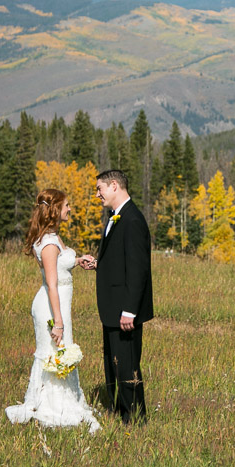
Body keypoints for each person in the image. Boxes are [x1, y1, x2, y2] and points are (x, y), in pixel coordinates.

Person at [5, 188, 102, 431]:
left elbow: (60, 266)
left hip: (59, 305)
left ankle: (65, 401)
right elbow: (52, 284)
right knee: (53, 353)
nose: (70, 209)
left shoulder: (54, 236)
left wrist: (77, 261)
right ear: (56, 209)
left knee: (60, 351)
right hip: (50, 307)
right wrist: (58, 322)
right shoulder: (48, 242)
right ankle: (52, 407)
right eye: (66, 205)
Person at [81, 169, 153, 424]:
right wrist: (99, 264)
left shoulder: (132, 220)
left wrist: (130, 310)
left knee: (127, 366)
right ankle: (118, 411)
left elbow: (137, 269)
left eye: (99, 188)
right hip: (113, 308)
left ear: (114, 186)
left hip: (124, 310)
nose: (97, 194)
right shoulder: (116, 217)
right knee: (113, 363)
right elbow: (121, 261)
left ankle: (135, 419)